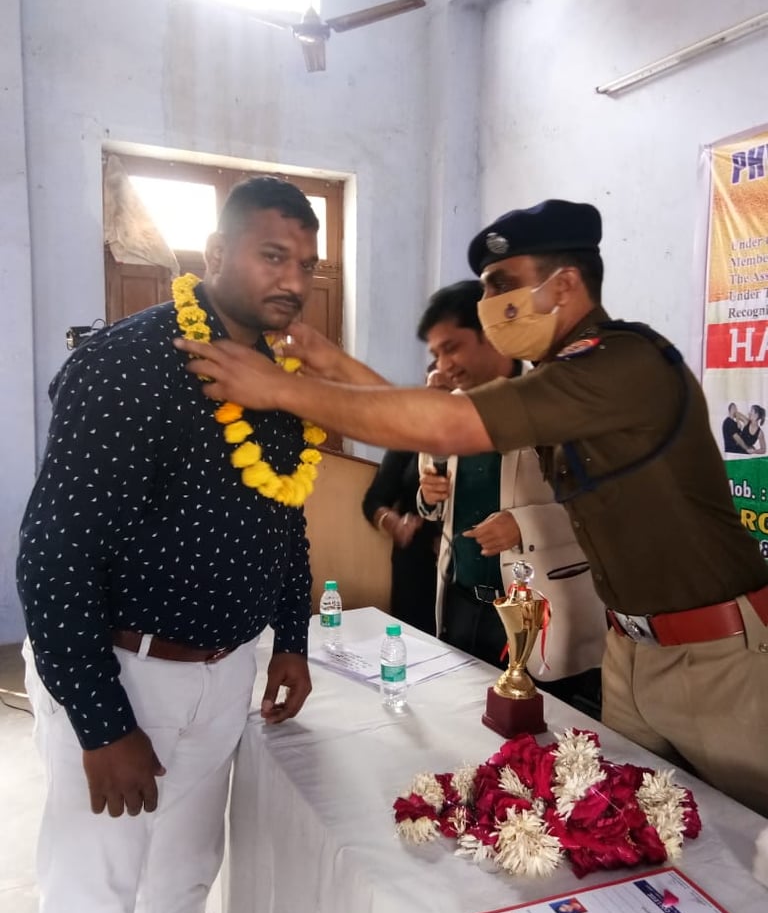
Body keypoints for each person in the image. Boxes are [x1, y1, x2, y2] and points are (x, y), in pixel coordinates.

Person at [172, 198, 768, 818]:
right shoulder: (559, 377)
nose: (488, 307)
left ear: (564, 284)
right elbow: (436, 421)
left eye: (502, 286)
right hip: (631, 650)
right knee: (626, 827)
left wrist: (281, 387)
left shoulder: (620, 364)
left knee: (747, 851)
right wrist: (330, 362)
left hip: (718, 654)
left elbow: (452, 422)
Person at [16, 176, 319, 913]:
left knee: (184, 879)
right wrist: (101, 720)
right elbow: (54, 557)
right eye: (272, 255)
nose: (292, 280)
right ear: (217, 252)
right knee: (95, 887)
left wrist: (291, 638)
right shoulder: (126, 366)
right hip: (126, 669)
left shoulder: (282, 381)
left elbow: (285, 518)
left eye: (307, 264)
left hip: (224, 674)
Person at [415, 280, 605, 715]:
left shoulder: (553, 398)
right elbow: (430, 501)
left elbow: (598, 504)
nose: (442, 366)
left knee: (534, 744)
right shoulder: (449, 406)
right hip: (461, 598)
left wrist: (523, 525)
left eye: (452, 349)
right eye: (437, 354)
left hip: (533, 606)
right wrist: (429, 493)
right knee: (460, 726)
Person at [361, 365, 447, 635]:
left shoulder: (479, 441)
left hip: (465, 573)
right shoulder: (409, 437)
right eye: (432, 392)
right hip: (415, 567)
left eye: (447, 392)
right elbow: (374, 500)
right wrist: (394, 524)